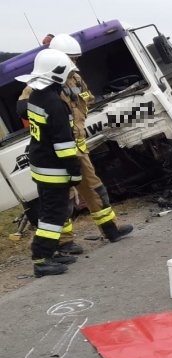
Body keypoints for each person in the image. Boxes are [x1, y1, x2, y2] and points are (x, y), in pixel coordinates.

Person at [17, 34, 133, 255]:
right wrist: (51, 106)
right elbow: (23, 107)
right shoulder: (42, 84)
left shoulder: (76, 78)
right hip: (57, 150)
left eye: (76, 59)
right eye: (72, 58)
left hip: (78, 147)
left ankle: (110, 229)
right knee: (63, 198)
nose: (75, 63)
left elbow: (85, 101)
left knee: (94, 188)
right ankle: (64, 242)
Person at [15, 49, 81, 277]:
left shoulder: (36, 97)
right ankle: (41, 258)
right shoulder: (54, 103)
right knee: (53, 215)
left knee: (49, 212)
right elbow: (63, 144)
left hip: (41, 163)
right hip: (53, 168)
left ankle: (51, 252)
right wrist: (74, 172)